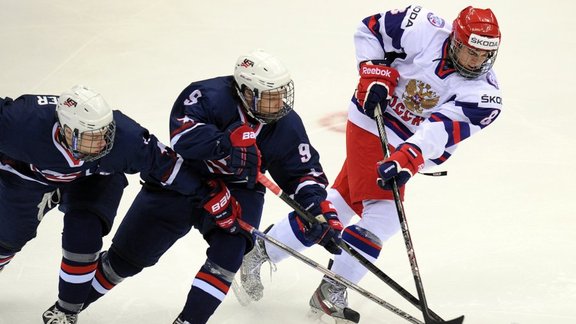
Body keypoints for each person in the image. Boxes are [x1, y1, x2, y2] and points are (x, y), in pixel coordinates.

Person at [239, 5, 503, 323]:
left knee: (336, 205)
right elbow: (370, 29)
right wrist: (373, 72)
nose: (477, 62)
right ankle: (331, 292)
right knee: (385, 217)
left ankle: (262, 250)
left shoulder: (485, 95)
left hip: (409, 144)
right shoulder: (422, 28)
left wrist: (408, 157)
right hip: (371, 121)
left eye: (483, 56)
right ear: (455, 41)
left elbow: (440, 130)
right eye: (470, 52)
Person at [78, 49, 343, 324]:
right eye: (269, 97)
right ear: (243, 90)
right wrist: (225, 143)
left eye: (280, 94)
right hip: (183, 179)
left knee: (228, 256)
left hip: (239, 190)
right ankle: (69, 307)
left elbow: (301, 172)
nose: (278, 104)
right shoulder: (207, 95)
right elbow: (182, 137)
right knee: (124, 260)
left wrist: (316, 209)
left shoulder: (286, 124)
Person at [0, 85, 208, 324]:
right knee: (6, 240)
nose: (101, 144)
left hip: (94, 177)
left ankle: (66, 311)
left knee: (83, 236)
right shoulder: (21, 121)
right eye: (90, 137)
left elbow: (164, 164)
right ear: (66, 130)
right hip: (28, 177)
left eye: (104, 134)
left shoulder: (123, 138)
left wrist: (208, 193)